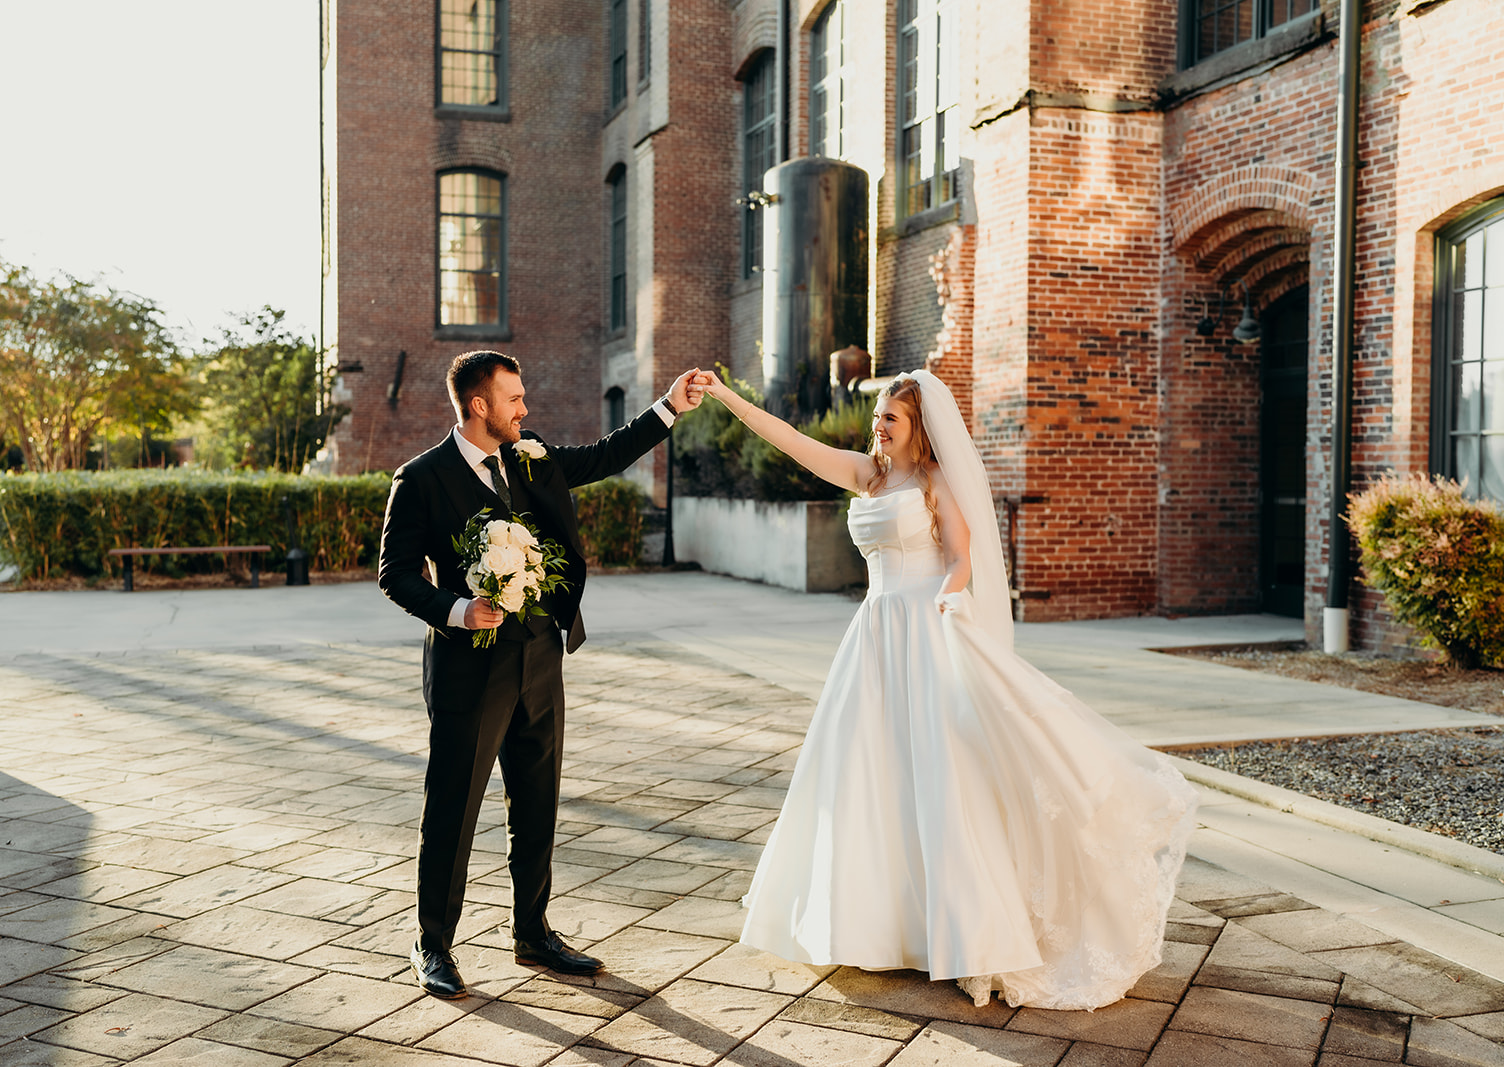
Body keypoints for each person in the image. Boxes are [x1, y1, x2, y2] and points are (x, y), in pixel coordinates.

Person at [700, 368, 1198, 1011]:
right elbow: (790, 440)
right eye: (877, 417)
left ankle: (964, 933)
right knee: (865, 773)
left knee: (940, 776)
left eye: (891, 419)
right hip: (875, 634)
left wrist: (946, 599)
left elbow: (962, 557)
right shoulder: (866, 475)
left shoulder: (935, 482)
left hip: (926, 628)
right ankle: (881, 926)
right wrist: (724, 396)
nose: (878, 428)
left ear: (919, 429)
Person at [378, 350, 707, 999]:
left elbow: (607, 453)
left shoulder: (527, 457)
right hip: (468, 667)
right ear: (478, 404)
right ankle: (432, 942)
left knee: (537, 798)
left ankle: (533, 929)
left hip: (539, 656)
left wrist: (670, 406)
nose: (524, 409)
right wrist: (457, 608)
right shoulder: (420, 478)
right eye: (514, 399)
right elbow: (393, 573)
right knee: (454, 804)